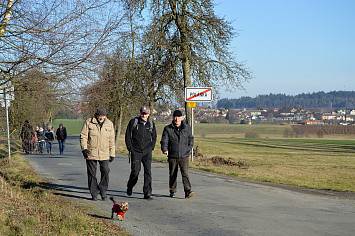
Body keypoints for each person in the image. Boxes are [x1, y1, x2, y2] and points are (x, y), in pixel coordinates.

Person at [80, 107, 115, 201]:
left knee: (106, 171)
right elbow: (83, 136)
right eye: (100, 115)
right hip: (91, 152)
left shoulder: (109, 124)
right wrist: (84, 149)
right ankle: (94, 193)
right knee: (92, 174)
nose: (102, 117)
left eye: (103, 116)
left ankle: (103, 190)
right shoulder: (89, 122)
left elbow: (112, 139)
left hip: (105, 153)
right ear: (96, 114)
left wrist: (112, 153)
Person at [160, 110, 194, 198]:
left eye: (179, 117)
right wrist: (165, 149)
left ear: (182, 118)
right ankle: (172, 190)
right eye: (175, 117)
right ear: (173, 118)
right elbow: (164, 141)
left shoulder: (187, 128)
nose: (177, 119)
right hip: (172, 155)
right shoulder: (168, 129)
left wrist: (188, 149)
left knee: (185, 174)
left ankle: (187, 191)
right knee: (172, 174)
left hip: (184, 155)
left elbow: (191, 139)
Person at [125, 106, 157, 200]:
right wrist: (130, 148)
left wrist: (151, 147)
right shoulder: (133, 122)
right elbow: (128, 136)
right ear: (140, 113)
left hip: (147, 151)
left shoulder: (151, 124)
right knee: (135, 171)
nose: (144, 115)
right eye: (143, 113)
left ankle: (147, 193)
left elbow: (154, 137)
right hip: (136, 151)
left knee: (148, 172)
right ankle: (130, 186)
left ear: (149, 114)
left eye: (146, 113)